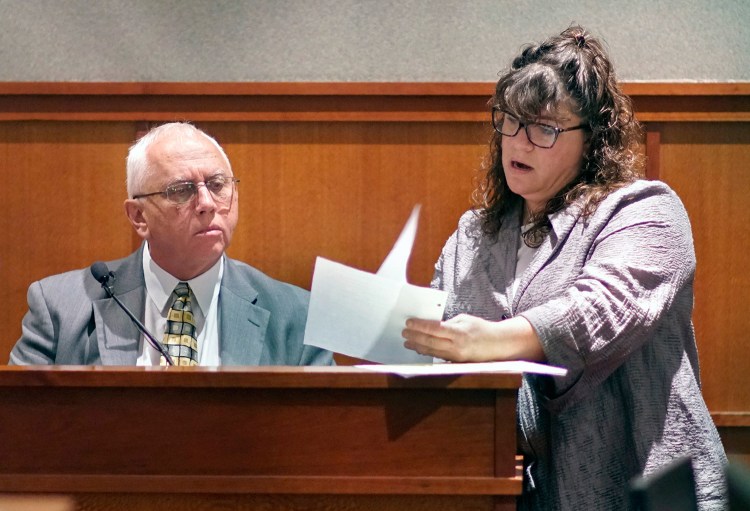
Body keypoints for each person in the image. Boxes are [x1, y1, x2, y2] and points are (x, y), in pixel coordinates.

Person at [402, 26, 727, 510]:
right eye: (509, 121)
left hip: (645, 485)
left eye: (544, 127)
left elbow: (601, 309)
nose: (519, 141)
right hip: (513, 492)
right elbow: (439, 350)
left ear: (591, 140)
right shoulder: (473, 236)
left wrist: (491, 339)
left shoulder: (644, 211)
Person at [10, 122, 333, 367]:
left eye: (218, 185)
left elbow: (324, 443)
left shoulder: (295, 316)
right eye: (181, 190)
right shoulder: (59, 309)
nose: (207, 203)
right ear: (139, 217)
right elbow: (20, 435)